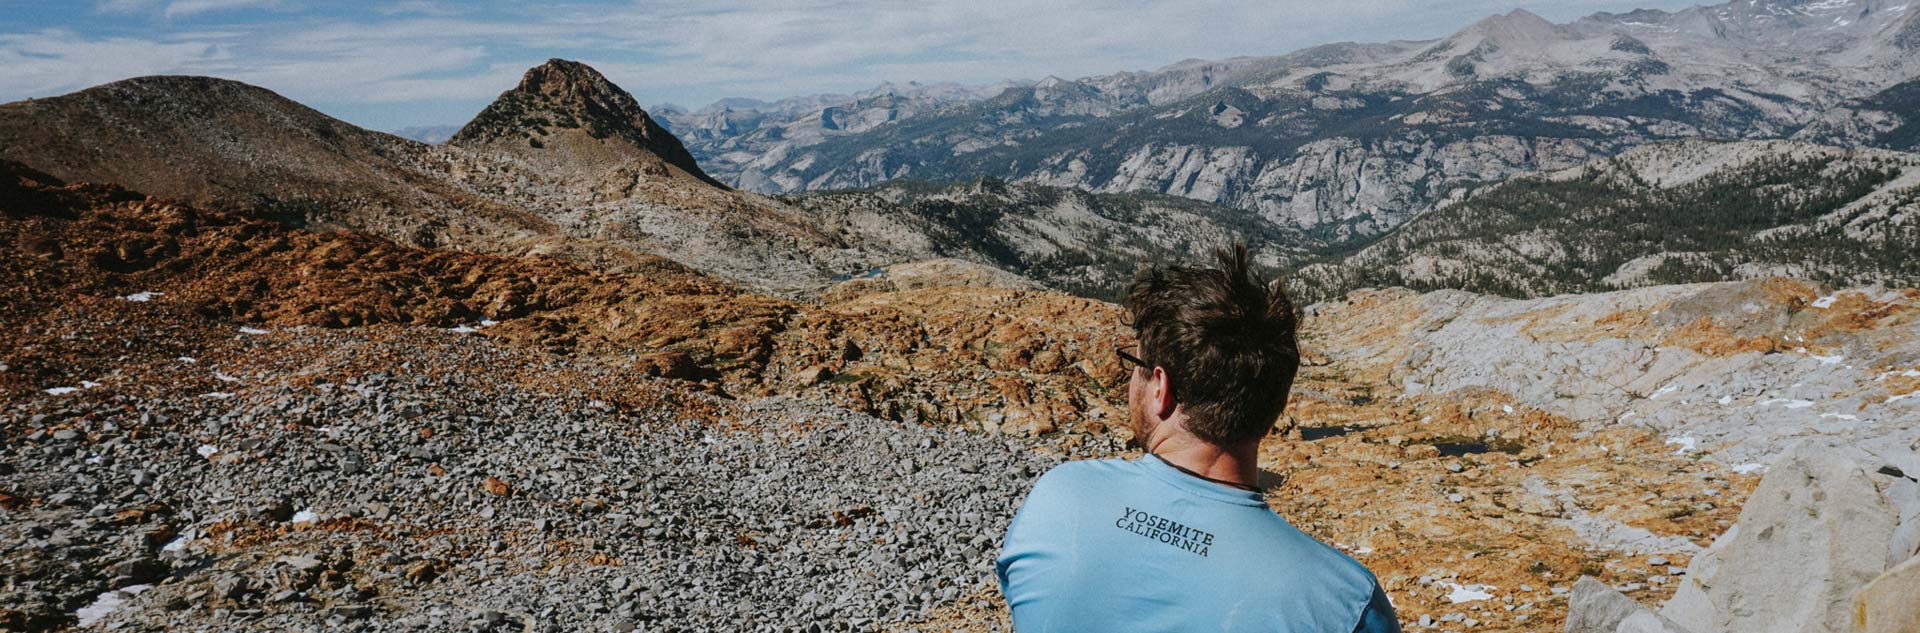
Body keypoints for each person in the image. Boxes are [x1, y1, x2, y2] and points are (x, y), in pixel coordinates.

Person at [996, 244, 1400, 632]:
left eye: (1136, 365)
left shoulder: (1057, 498)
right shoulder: (1345, 603)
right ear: (1274, 406)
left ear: (1161, 387)